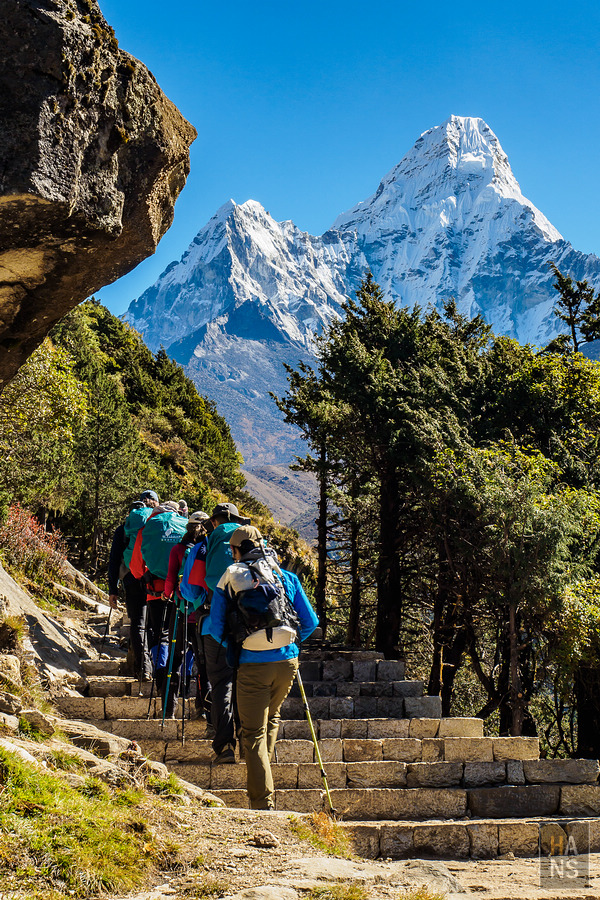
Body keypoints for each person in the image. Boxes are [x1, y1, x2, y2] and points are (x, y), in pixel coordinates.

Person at [205, 525, 318, 809]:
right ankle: (262, 776)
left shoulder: (231, 576)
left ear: (237, 550)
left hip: (253, 664)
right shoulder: (285, 575)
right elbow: (310, 622)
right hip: (287, 663)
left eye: (232, 549)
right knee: (271, 718)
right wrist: (290, 646)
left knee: (252, 733)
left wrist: (238, 646)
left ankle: (262, 802)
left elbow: (216, 626)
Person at [200, 502, 249, 763]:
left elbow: (193, 584)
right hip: (251, 626)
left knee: (221, 682)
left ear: (215, 521)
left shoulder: (208, 541)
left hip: (214, 624)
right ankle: (248, 738)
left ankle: (224, 746)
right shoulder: (251, 541)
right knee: (245, 680)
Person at [161, 511, 210, 718]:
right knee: (202, 662)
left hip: (181, 610)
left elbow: (171, 579)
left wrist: (166, 595)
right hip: (201, 614)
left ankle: (169, 708)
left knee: (175, 659)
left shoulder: (178, 549)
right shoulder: (208, 550)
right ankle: (202, 707)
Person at [107, 490, 160, 680]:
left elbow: (114, 560)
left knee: (138, 624)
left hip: (131, 578)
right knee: (155, 624)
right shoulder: (157, 525)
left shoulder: (124, 528)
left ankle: (144, 668)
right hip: (154, 579)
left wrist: (112, 589)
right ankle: (157, 666)